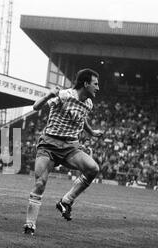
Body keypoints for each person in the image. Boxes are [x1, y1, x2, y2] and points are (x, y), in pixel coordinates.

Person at [23, 69, 104, 235]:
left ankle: (66, 201)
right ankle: (30, 225)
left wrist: (91, 132)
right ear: (86, 83)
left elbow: (83, 117)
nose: (98, 87)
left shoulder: (88, 103)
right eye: (95, 84)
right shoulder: (66, 95)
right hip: (49, 145)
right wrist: (48, 96)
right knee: (40, 184)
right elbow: (36, 107)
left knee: (93, 169)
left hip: (69, 147)